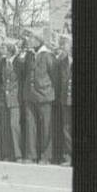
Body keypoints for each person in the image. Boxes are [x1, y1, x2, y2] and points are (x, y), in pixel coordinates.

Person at [24, 28, 56, 164]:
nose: (29, 41)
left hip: (44, 96)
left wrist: (48, 90)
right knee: (31, 126)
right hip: (30, 96)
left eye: (31, 38)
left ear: (38, 40)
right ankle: (31, 155)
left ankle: (45, 156)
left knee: (46, 127)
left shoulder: (47, 55)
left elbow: (54, 76)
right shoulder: (30, 55)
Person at [0, 40, 24, 162]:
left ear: (9, 50)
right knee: (5, 127)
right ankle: (8, 153)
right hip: (4, 99)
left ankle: (18, 154)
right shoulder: (3, 62)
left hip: (15, 99)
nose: (1, 50)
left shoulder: (19, 62)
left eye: (3, 48)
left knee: (14, 126)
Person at [55, 32, 72, 165]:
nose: (62, 46)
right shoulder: (62, 61)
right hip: (66, 99)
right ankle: (68, 157)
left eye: (65, 43)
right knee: (66, 129)